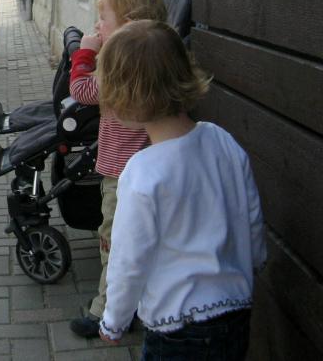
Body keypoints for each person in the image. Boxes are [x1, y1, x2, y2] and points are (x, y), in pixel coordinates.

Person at [97, 20, 266, 359]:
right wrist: (255, 260)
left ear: (124, 95)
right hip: (235, 313)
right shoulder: (221, 140)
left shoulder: (142, 173)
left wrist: (114, 321)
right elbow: (251, 216)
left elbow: (129, 260)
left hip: (177, 329)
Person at [68, 0, 168, 338]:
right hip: (148, 168)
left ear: (128, 26)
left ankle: (107, 311)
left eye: (103, 20)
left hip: (121, 175)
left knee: (113, 241)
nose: (97, 26)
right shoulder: (152, 63)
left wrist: (84, 52)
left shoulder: (122, 69)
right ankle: (139, 302)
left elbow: (81, 90)